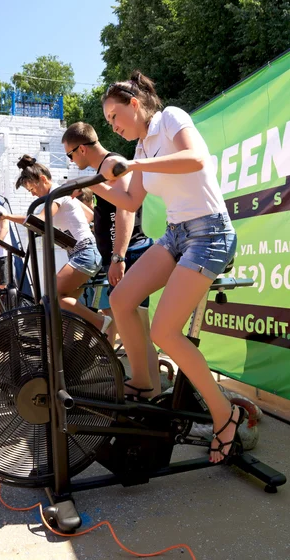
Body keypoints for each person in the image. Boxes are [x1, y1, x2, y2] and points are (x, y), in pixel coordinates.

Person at [93, 70, 242, 464]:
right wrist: (92, 181)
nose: (114, 126)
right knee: (122, 298)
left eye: (114, 117)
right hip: (177, 234)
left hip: (210, 232)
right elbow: (128, 202)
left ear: (135, 105)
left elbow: (196, 159)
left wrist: (132, 166)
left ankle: (225, 415)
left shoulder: (170, 118)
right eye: (107, 122)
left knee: (165, 330)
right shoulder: (142, 149)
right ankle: (144, 383)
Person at [62, 122, 160, 394]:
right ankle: (150, 392)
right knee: (136, 333)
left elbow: (127, 208)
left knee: (139, 330)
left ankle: (150, 392)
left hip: (131, 254)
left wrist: (119, 257)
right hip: (122, 256)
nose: (71, 160)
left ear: (81, 149)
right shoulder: (102, 169)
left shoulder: (113, 162)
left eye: (70, 155)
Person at [0, 155, 111, 332]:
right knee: (58, 305)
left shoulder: (58, 194)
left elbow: (40, 220)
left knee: (51, 297)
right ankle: (71, 342)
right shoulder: (60, 196)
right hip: (81, 253)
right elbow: (89, 215)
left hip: (85, 253)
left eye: (32, 188)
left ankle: (101, 322)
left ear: (43, 179)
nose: (32, 194)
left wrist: (7, 217)